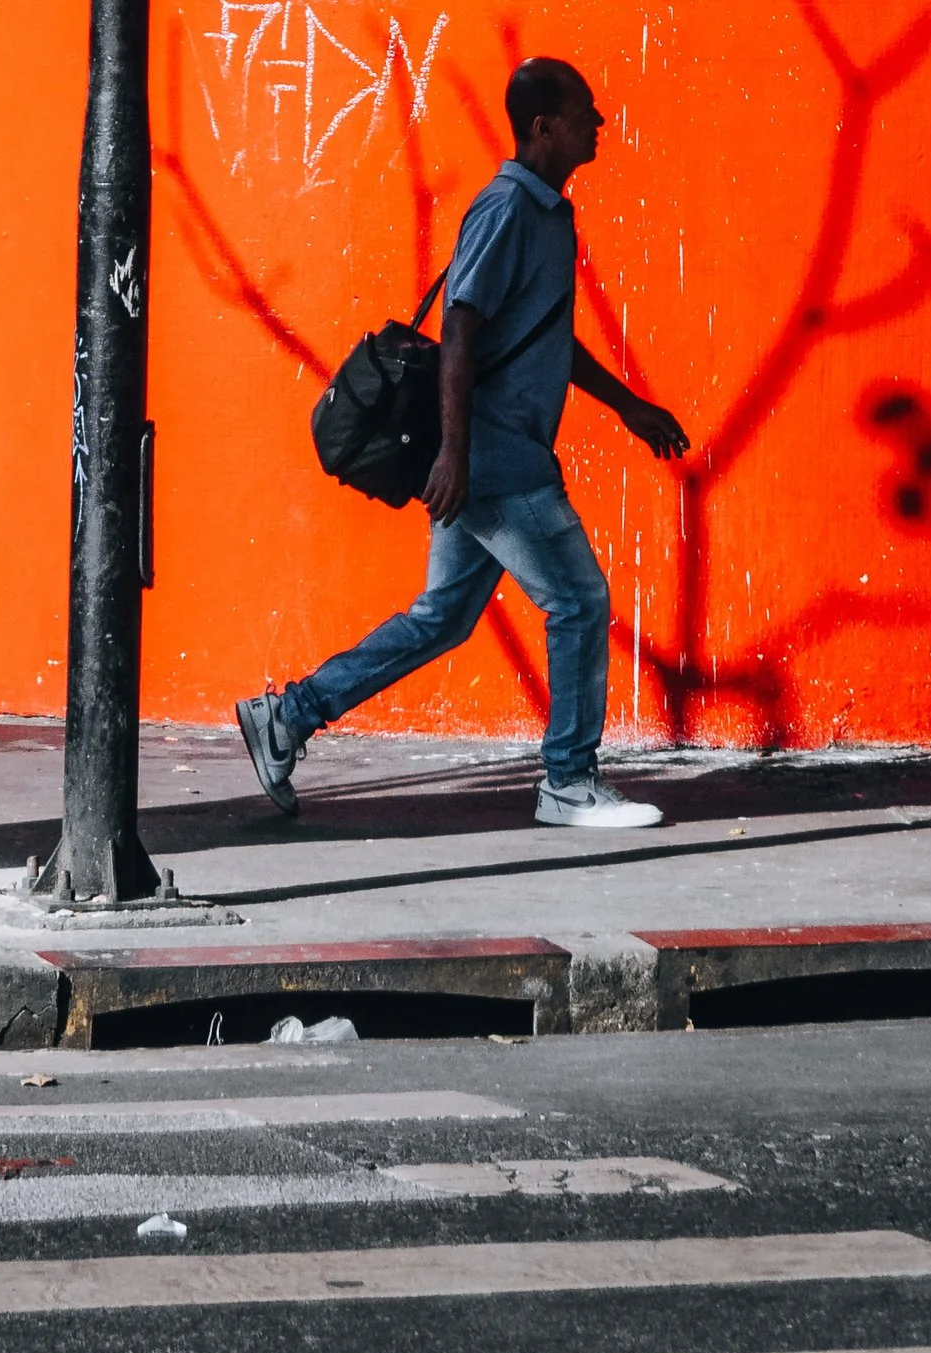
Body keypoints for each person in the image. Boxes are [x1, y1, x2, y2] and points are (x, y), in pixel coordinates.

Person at [236, 57, 690, 831]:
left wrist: (627, 407)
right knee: (578, 601)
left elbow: (546, 336)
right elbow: (460, 325)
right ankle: (568, 782)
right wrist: (455, 452)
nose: (599, 123)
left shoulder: (550, 214)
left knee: (443, 617)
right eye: (585, 111)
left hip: (489, 453)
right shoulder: (506, 209)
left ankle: (288, 717)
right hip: (494, 457)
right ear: (544, 126)